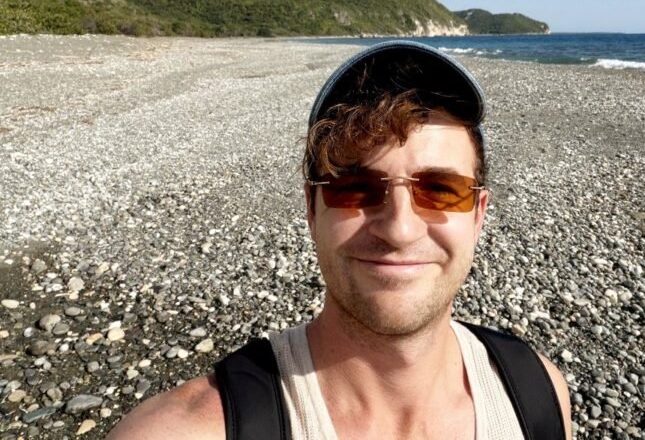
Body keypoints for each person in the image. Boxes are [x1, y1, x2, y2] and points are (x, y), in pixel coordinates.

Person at [108, 41, 572, 440]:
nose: (400, 229)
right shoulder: (187, 429)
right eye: (356, 188)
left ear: (478, 215)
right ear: (312, 210)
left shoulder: (537, 396)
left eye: (440, 189)